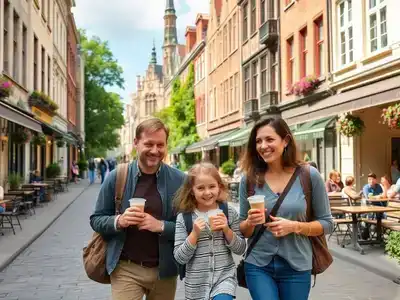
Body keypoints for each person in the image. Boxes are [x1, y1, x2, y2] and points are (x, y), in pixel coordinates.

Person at [238, 117, 333, 300]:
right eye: (258, 141)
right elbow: (242, 230)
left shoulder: (308, 175)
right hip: (258, 265)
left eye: (269, 139)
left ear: (286, 141)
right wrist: (250, 222)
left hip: (297, 266)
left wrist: (295, 226)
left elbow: (328, 223)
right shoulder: (249, 179)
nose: (263, 145)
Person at [90, 118, 186, 300]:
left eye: (160, 145)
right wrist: (119, 221)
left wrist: (162, 226)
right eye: (149, 144)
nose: (155, 151)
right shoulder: (116, 176)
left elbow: (189, 226)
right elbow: (96, 219)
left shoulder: (179, 180)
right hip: (126, 267)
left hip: (165, 270)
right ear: (136, 143)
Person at [173, 162, 246, 300]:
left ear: (219, 187)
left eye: (212, 186)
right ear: (191, 190)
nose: (207, 192)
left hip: (224, 280)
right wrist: (194, 235)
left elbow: (240, 249)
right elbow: (179, 257)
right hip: (196, 288)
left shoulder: (229, 212)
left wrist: (226, 229)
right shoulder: (184, 218)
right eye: (200, 188)